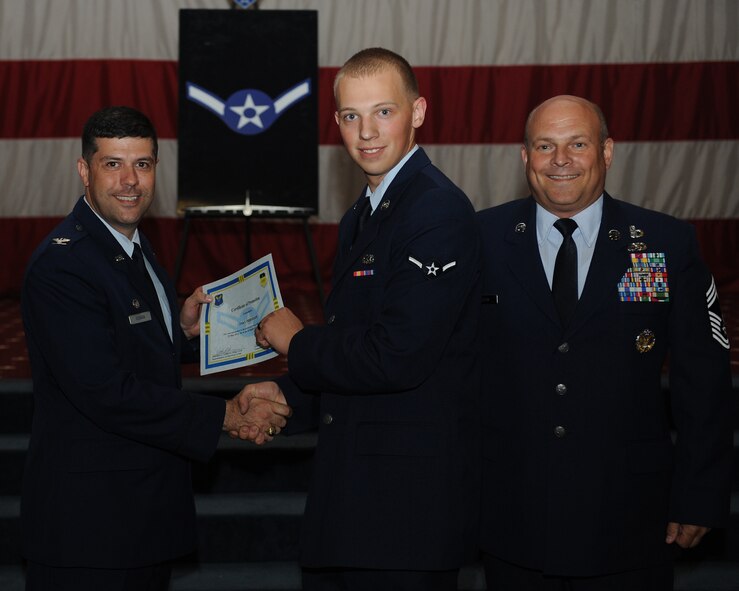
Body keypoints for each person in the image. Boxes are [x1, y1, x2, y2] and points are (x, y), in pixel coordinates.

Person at [20, 106, 291, 591]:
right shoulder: (63, 266)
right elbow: (105, 391)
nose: (130, 181)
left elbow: (129, 343)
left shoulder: (132, 246)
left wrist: (184, 331)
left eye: (142, 164)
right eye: (113, 164)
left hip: (139, 514)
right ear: (84, 170)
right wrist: (226, 415)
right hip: (89, 529)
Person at [477, 95, 733, 590]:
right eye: (544, 145)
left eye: (577, 143)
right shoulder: (481, 239)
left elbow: (703, 382)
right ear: (524, 156)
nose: (560, 160)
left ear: (607, 151)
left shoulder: (663, 244)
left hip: (630, 517)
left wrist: (700, 493)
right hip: (513, 512)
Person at [248, 47, 482, 590]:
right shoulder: (365, 210)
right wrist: (291, 395)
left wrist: (297, 344)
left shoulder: (436, 210)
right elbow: (358, 343)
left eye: (384, 111)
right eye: (351, 116)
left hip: (407, 506)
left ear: (418, 112)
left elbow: (395, 356)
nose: (367, 132)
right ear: (336, 123)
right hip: (361, 490)